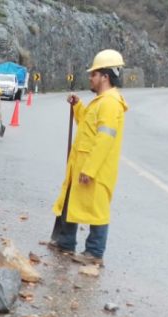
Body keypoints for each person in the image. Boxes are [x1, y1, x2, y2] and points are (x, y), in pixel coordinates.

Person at [49, 49, 128, 266]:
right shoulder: (101, 101)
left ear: (105, 76)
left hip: (96, 169)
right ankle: (65, 242)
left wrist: (90, 169)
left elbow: (104, 140)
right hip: (82, 164)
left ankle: (94, 252)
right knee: (70, 201)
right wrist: (77, 106)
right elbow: (87, 125)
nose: (90, 78)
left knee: (97, 210)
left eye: (94, 74)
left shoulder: (110, 103)